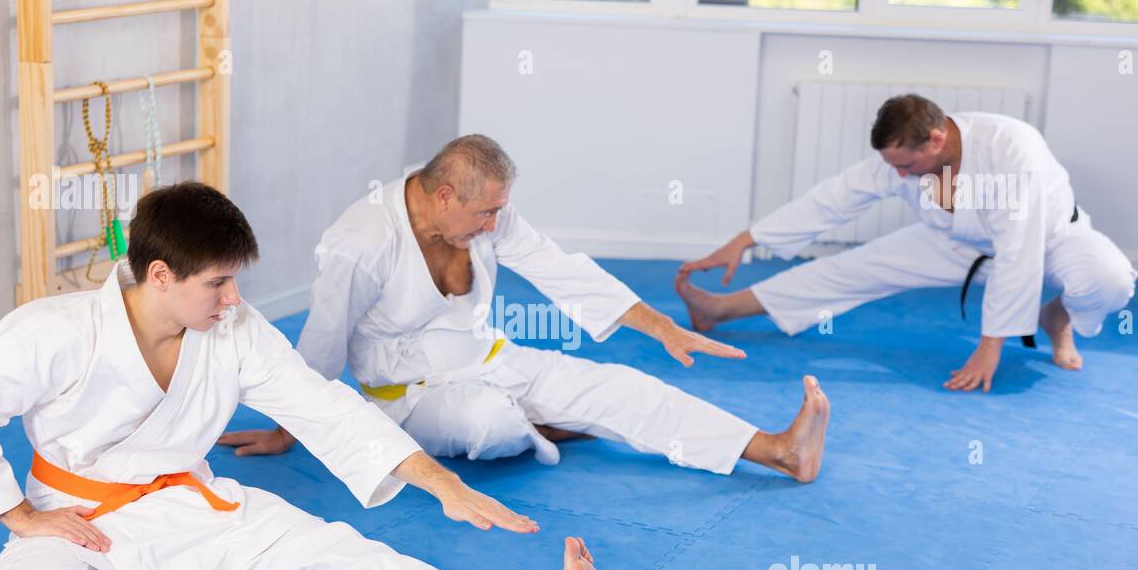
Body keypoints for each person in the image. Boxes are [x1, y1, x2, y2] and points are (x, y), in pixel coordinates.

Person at [0, 182, 598, 570]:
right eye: (218, 283)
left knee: (342, 556)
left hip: (191, 503)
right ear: (160, 274)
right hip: (76, 515)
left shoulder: (234, 330)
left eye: (236, 280)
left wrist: (437, 480)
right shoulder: (53, 332)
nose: (235, 299)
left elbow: (322, 405)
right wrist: (18, 518)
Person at [220, 135, 830, 483]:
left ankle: (778, 450)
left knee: (622, 387)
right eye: (485, 213)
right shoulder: (360, 243)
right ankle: (546, 421)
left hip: (487, 358)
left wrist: (662, 326)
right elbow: (323, 340)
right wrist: (287, 427)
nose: (495, 224)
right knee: (485, 423)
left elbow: (559, 269)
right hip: (406, 398)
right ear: (443, 195)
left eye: (499, 212)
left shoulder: (483, 215)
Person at [676, 94, 1137, 392]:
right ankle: (720, 309)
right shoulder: (902, 156)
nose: (898, 176)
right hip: (955, 241)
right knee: (850, 268)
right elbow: (832, 201)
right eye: (892, 166)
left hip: (1051, 237)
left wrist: (989, 346)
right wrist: (746, 239)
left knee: (1109, 280)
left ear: (936, 139)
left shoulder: (1013, 147)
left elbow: (1019, 250)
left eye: (906, 167)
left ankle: (1059, 317)